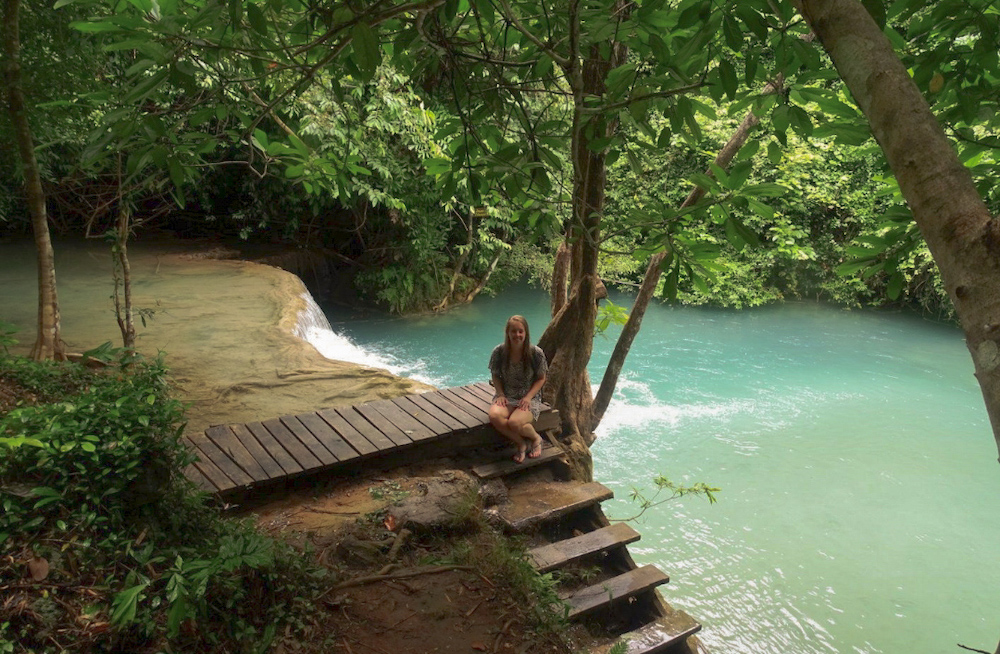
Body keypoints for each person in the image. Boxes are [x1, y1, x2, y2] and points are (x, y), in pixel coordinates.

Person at [488, 315, 547, 463]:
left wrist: (528, 397)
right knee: (495, 416)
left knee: (514, 423)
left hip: (529, 398)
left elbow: (541, 378)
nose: (517, 335)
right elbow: (495, 375)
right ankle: (521, 443)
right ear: (508, 332)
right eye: (513, 331)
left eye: (520, 331)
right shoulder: (499, 352)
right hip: (507, 396)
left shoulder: (536, 353)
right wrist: (500, 394)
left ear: (526, 333)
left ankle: (536, 438)